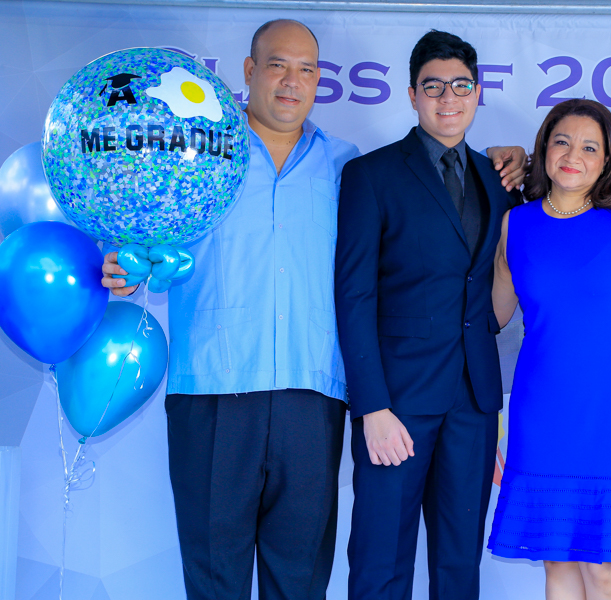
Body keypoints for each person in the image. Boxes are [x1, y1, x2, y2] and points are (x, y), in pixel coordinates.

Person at [99, 19, 525, 600]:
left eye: (306, 69)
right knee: (215, 574)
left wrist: (512, 159)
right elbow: (143, 242)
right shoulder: (196, 156)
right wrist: (123, 269)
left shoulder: (344, 163)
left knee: (301, 578)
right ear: (249, 71)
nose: (291, 81)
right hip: (216, 388)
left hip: (312, 396)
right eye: (278, 65)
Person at [334, 30, 522, 600]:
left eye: (461, 86)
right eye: (433, 86)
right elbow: (354, 295)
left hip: (473, 401)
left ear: (477, 93)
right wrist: (372, 407)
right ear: (413, 94)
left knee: (459, 563)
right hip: (397, 403)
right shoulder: (371, 175)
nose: (448, 98)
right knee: (380, 561)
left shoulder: (498, 179)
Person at [487, 99, 611, 600]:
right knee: (558, 561)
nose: (574, 155)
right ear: (543, 149)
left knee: (606, 568)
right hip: (541, 413)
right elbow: (492, 316)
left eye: (590, 147)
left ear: (608, 158)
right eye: (562, 142)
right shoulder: (516, 224)